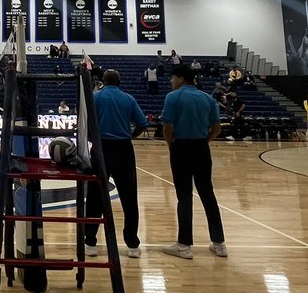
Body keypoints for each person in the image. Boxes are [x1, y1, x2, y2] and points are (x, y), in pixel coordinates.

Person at [159, 65, 225, 260]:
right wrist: (205, 142)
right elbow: (217, 129)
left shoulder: (173, 97)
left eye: (172, 78)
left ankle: (184, 245)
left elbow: (167, 127)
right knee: (208, 194)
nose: (171, 82)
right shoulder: (207, 98)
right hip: (202, 149)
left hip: (181, 147)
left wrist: (172, 145)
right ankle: (219, 243)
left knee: (184, 196)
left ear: (180, 78)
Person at [82, 70, 148, 259]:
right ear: (119, 82)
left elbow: (85, 123)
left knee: (95, 196)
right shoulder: (128, 98)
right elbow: (142, 124)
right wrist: (129, 137)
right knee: (129, 198)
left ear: (103, 81)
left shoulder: (96, 96)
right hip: (124, 148)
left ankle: (90, 242)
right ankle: (132, 244)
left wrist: (90, 140)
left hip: (101, 148)